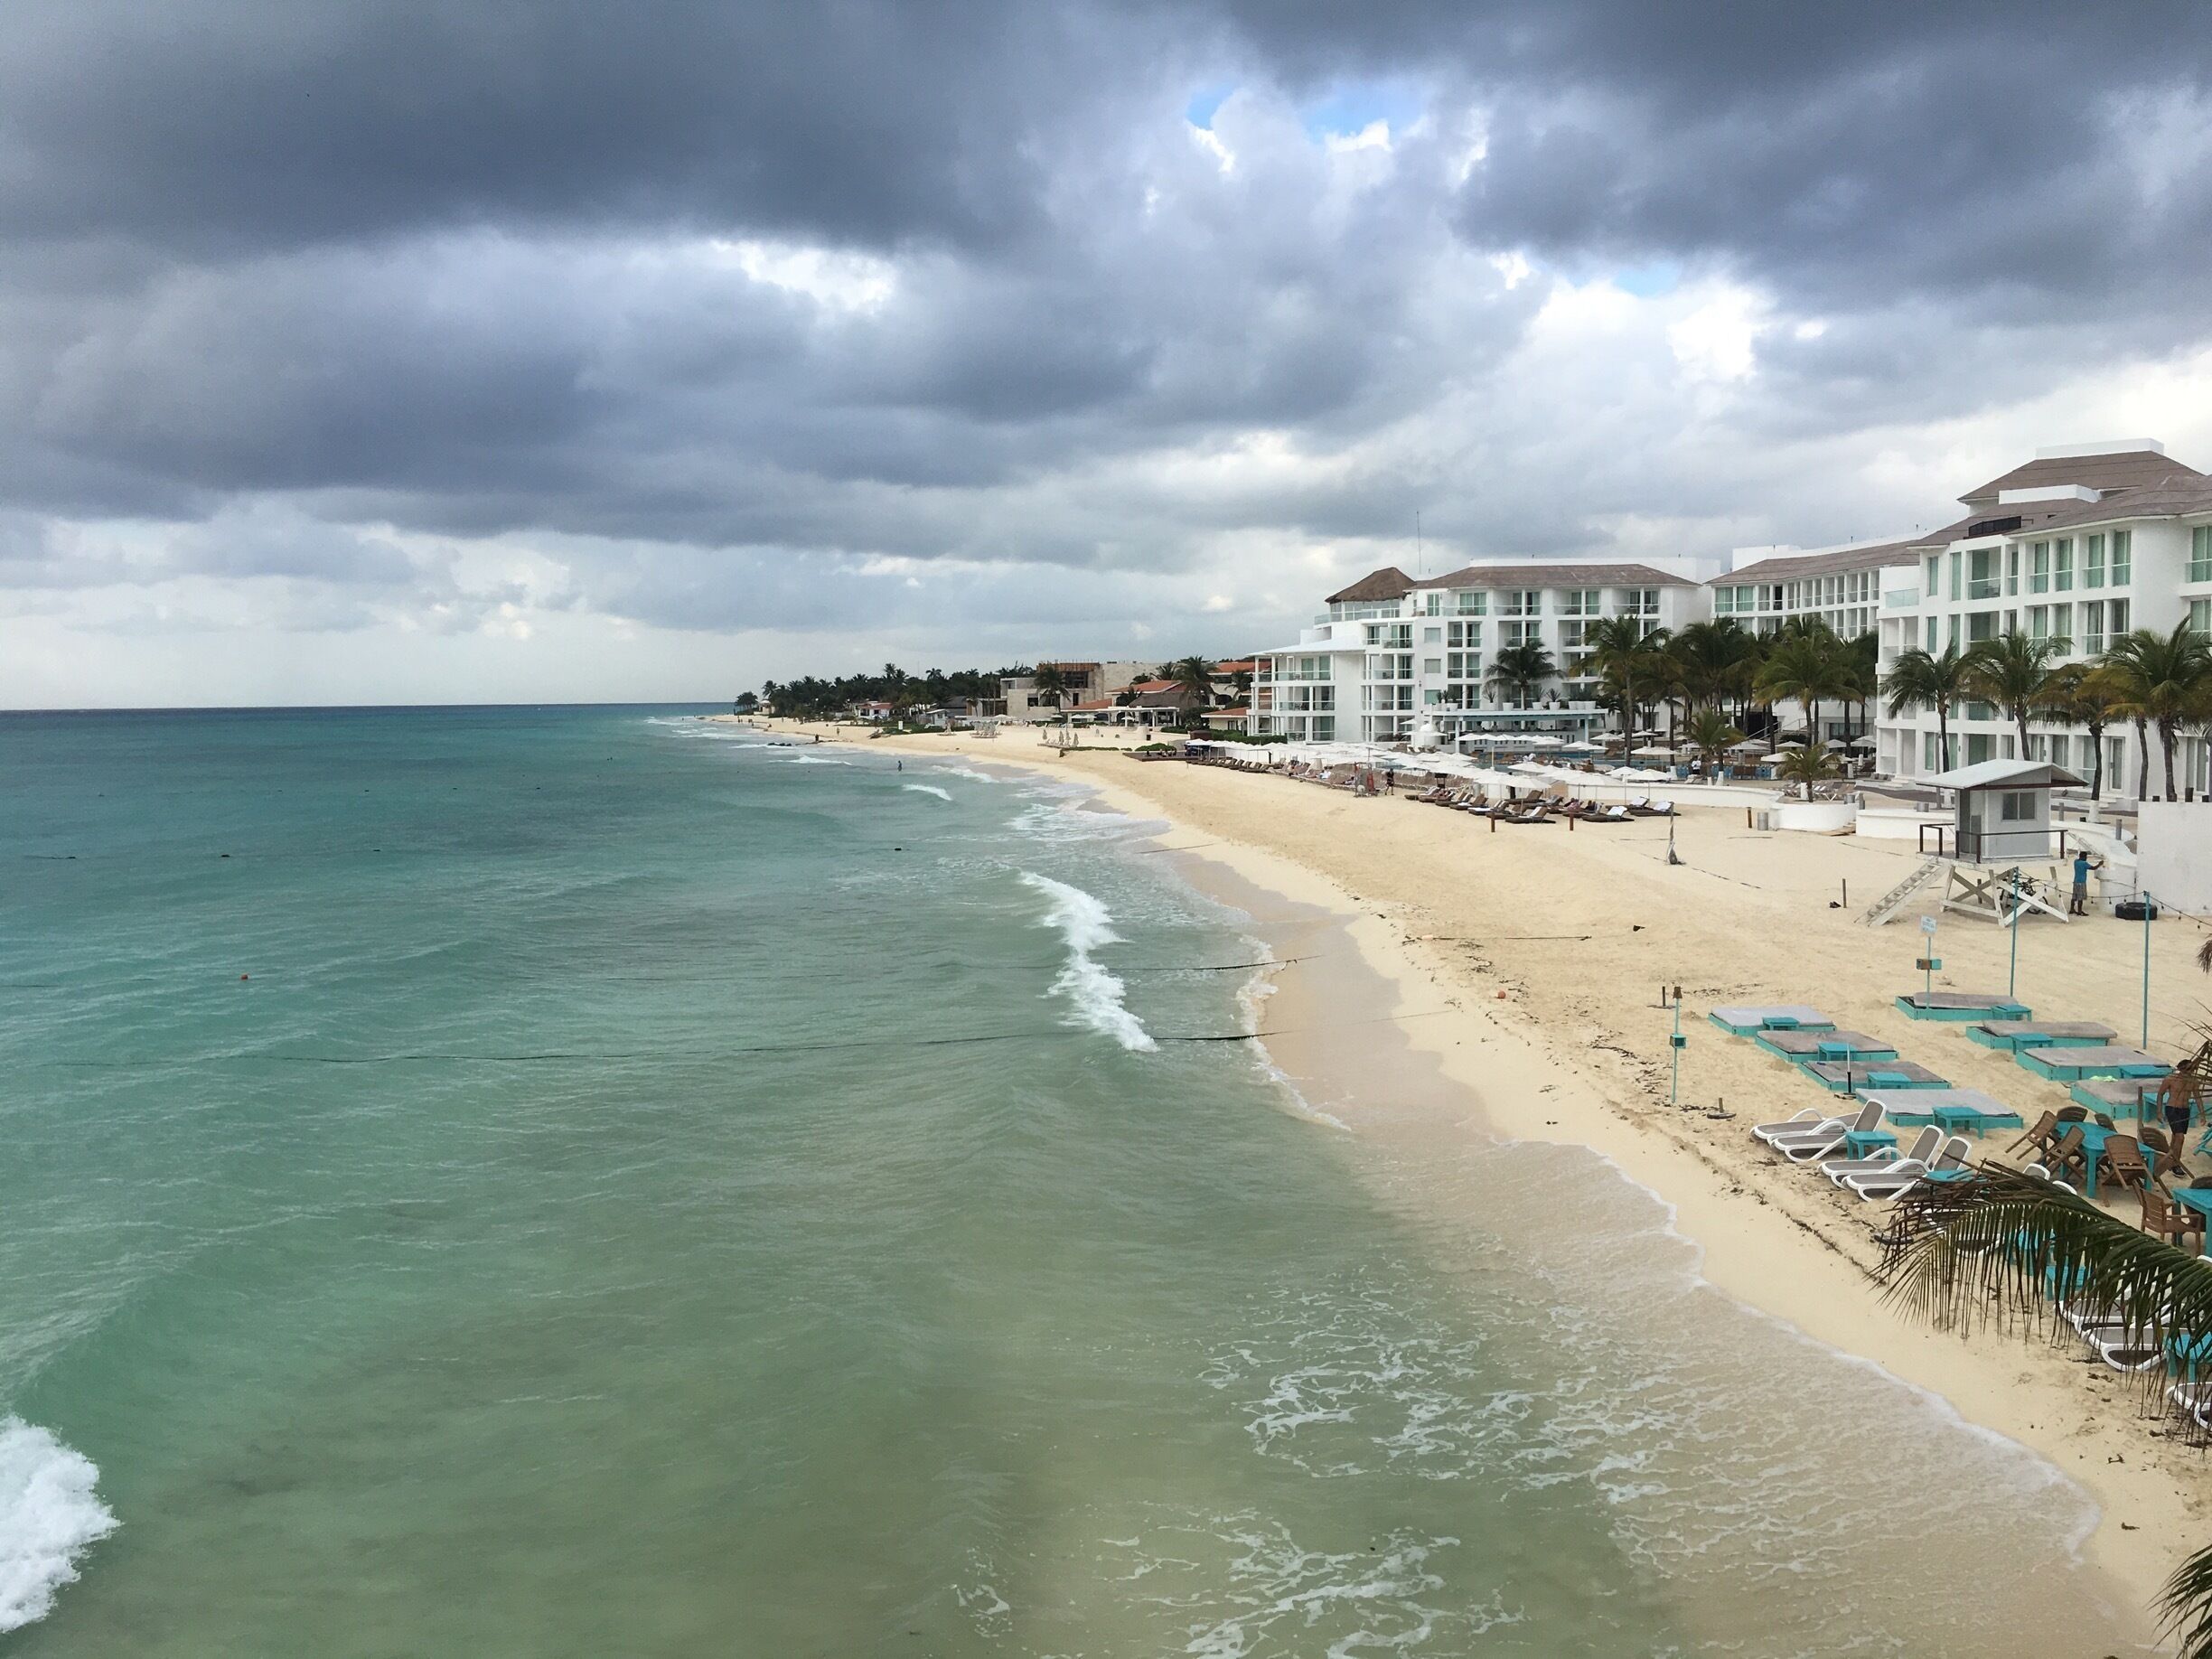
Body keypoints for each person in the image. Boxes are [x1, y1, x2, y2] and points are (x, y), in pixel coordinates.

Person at [2068, 849, 2101, 915]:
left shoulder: (2076, 862)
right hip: (2082, 882)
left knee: (2074, 896)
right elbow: (2093, 868)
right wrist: (2099, 864)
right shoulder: (2084, 863)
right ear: (2083, 857)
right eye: (2086, 857)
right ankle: (2080, 911)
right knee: (2080, 898)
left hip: (2075, 881)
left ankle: (2072, 909)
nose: (2086, 858)